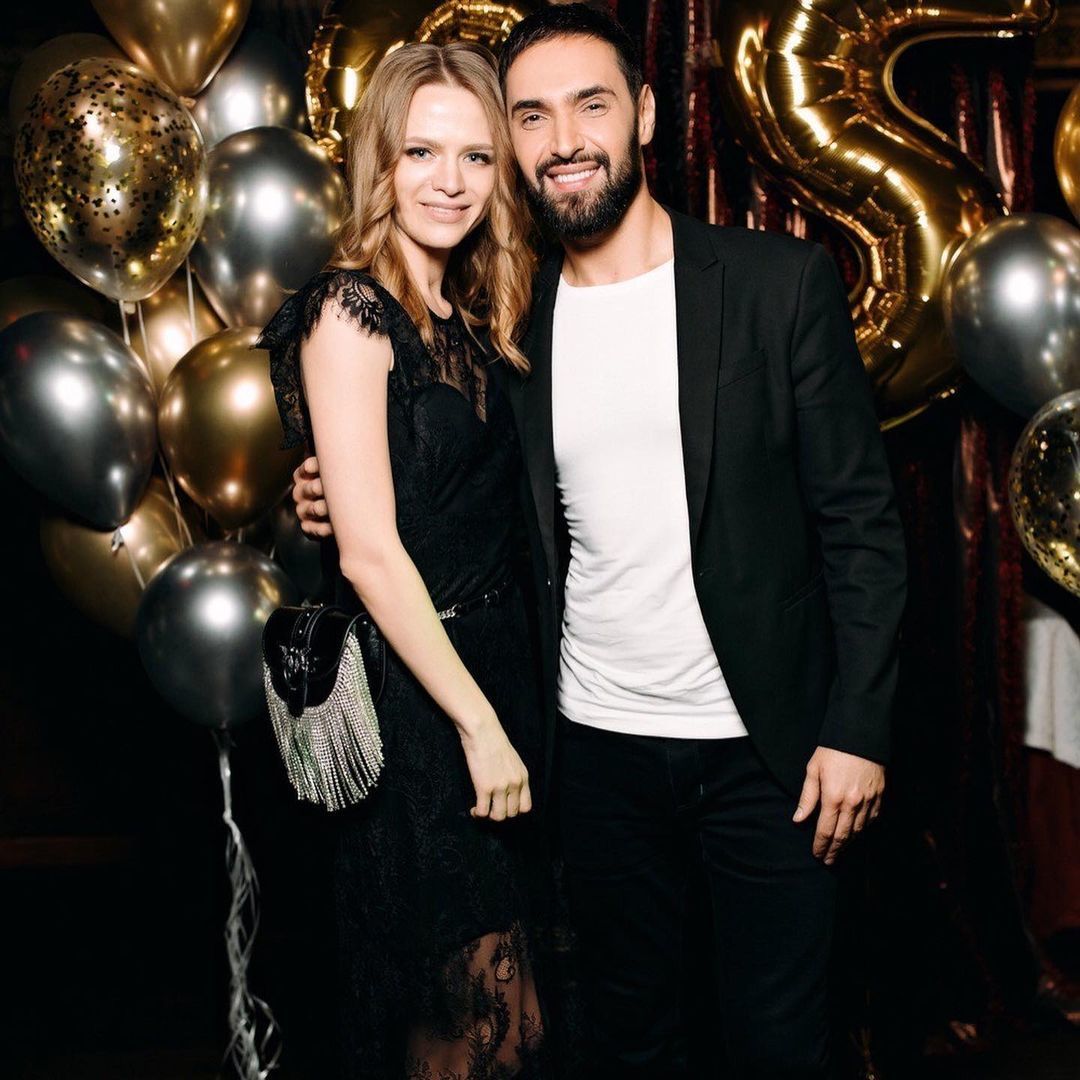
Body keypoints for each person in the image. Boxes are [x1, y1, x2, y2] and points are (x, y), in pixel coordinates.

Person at [292, 5, 908, 1077]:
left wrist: (858, 727)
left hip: (768, 755)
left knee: (778, 1042)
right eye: (531, 116)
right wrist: (333, 492)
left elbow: (861, 521)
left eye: (591, 105)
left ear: (647, 113)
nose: (564, 139)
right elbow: (443, 482)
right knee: (627, 1040)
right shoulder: (509, 315)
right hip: (589, 750)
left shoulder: (776, 284)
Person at [255, 42, 551, 1079]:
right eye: (421, 151)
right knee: (467, 1022)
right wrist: (479, 727)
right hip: (426, 707)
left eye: (475, 156)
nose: (449, 181)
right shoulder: (351, 311)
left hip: (497, 669)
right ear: (379, 161)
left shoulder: (473, 318)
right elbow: (374, 555)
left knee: (515, 1020)